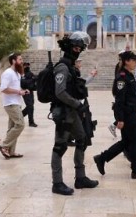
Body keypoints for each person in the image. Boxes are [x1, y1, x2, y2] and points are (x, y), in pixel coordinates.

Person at [51, 32, 99, 195]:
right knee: (60, 147)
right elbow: (60, 92)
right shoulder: (62, 68)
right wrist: (77, 104)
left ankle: (80, 177)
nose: (78, 51)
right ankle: (57, 183)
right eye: (76, 47)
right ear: (69, 48)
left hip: (73, 112)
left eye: (80, 48)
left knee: (82, 139)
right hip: (64, 113)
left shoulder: (71, 67)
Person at [94, 51, 136, 180]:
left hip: (131, 112)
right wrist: (119, 119)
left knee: (127, 142)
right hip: (127, 115)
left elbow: (132, 97)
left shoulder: (129, 76)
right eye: (134, 60)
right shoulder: (122, 78)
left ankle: (102, 158)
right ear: (127, 61)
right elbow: (120, 100)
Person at [0, 53, 29, 160]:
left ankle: (10, 151)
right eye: (20, 59)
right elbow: (3, 88)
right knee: (20, 124)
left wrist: (23, 91)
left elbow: (16, 87)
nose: (22, 61)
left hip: (16, 102)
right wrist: (18, 92)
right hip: (10, 103)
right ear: (13, 61)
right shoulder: (8, 73)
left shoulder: (17, 73)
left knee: (12, 128)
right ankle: (4, 145)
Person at [21, 62, 38, 127]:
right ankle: (31, 122)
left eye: (27, 65)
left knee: (31, 106)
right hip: (25, 91)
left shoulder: (30, 73)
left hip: (30, 91)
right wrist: (32, 80)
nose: (27, 66)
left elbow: (35, 78)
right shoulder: (21, 74)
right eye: (25, 65)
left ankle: (20, 116)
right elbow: (23, 82)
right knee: (30, 106)